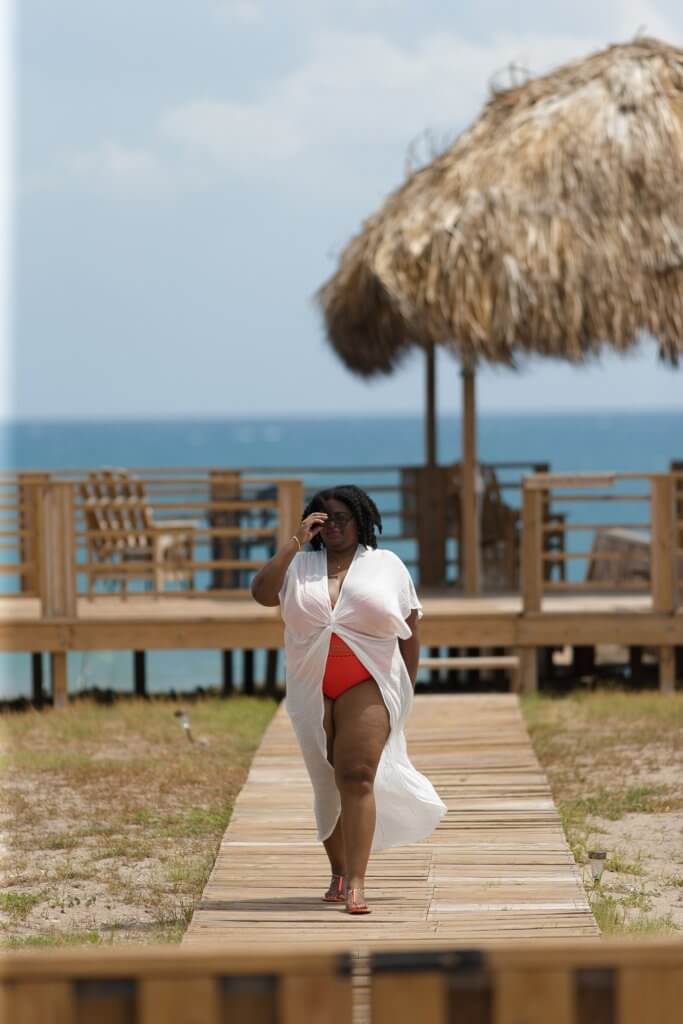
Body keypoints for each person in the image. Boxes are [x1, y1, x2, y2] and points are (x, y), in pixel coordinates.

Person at [250, 484, 446, 915]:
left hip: (368, 681)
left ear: (362, 521)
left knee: (356, 776)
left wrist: (403, 688)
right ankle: (338, 872)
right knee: (326, 781)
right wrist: (296, 541)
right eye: (324, 518)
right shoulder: (300, 566)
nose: (334, 525)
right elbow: (262, 593)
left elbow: (410, 626)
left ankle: (358, 882)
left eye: (342, 518)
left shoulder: (386, 565)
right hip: (310, 684)